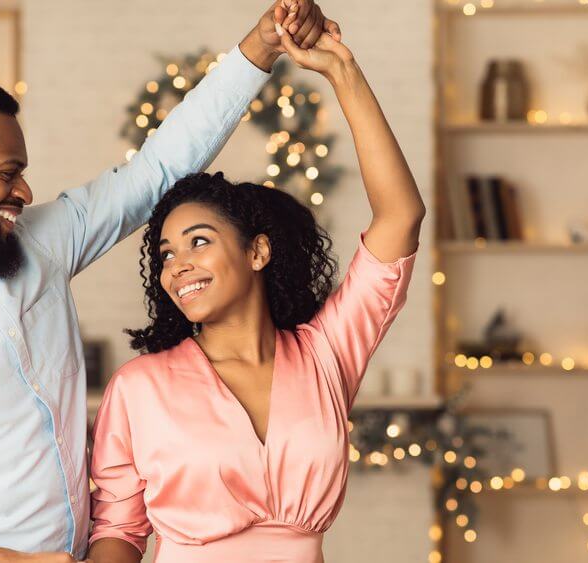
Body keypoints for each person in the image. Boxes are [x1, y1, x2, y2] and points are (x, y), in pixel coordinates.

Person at [0, 3, 338, 562]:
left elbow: (155, 172)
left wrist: (259, 49)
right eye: (7, 174)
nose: (26, 193)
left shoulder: (41, 244)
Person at [88, 28, 426, 563]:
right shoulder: (139, 387)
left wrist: (343, 72)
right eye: (166, 254)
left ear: (257, 252)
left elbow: (401, 217)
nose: (178, 267)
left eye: (199, 241)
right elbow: (117, 530)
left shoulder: (326, 355)